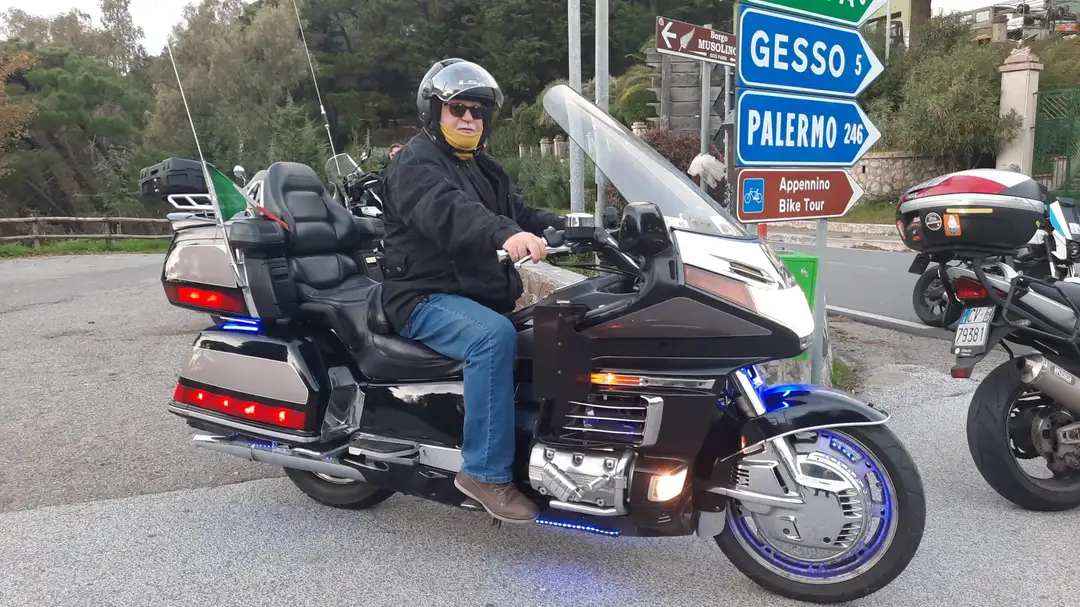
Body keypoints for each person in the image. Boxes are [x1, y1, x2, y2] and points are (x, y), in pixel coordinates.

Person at [378, 58, 565, 523]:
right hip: (421, 296)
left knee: (561, 325)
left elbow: (518, 211)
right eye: (457, 109)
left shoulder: (483, 166)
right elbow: (450, 212)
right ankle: (483, 472)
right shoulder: (414, 164)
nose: (468, 119)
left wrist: (574, 226)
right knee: (492, 338)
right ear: (434, 112)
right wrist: (505, 234)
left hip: (472, 294)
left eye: (477, 111)